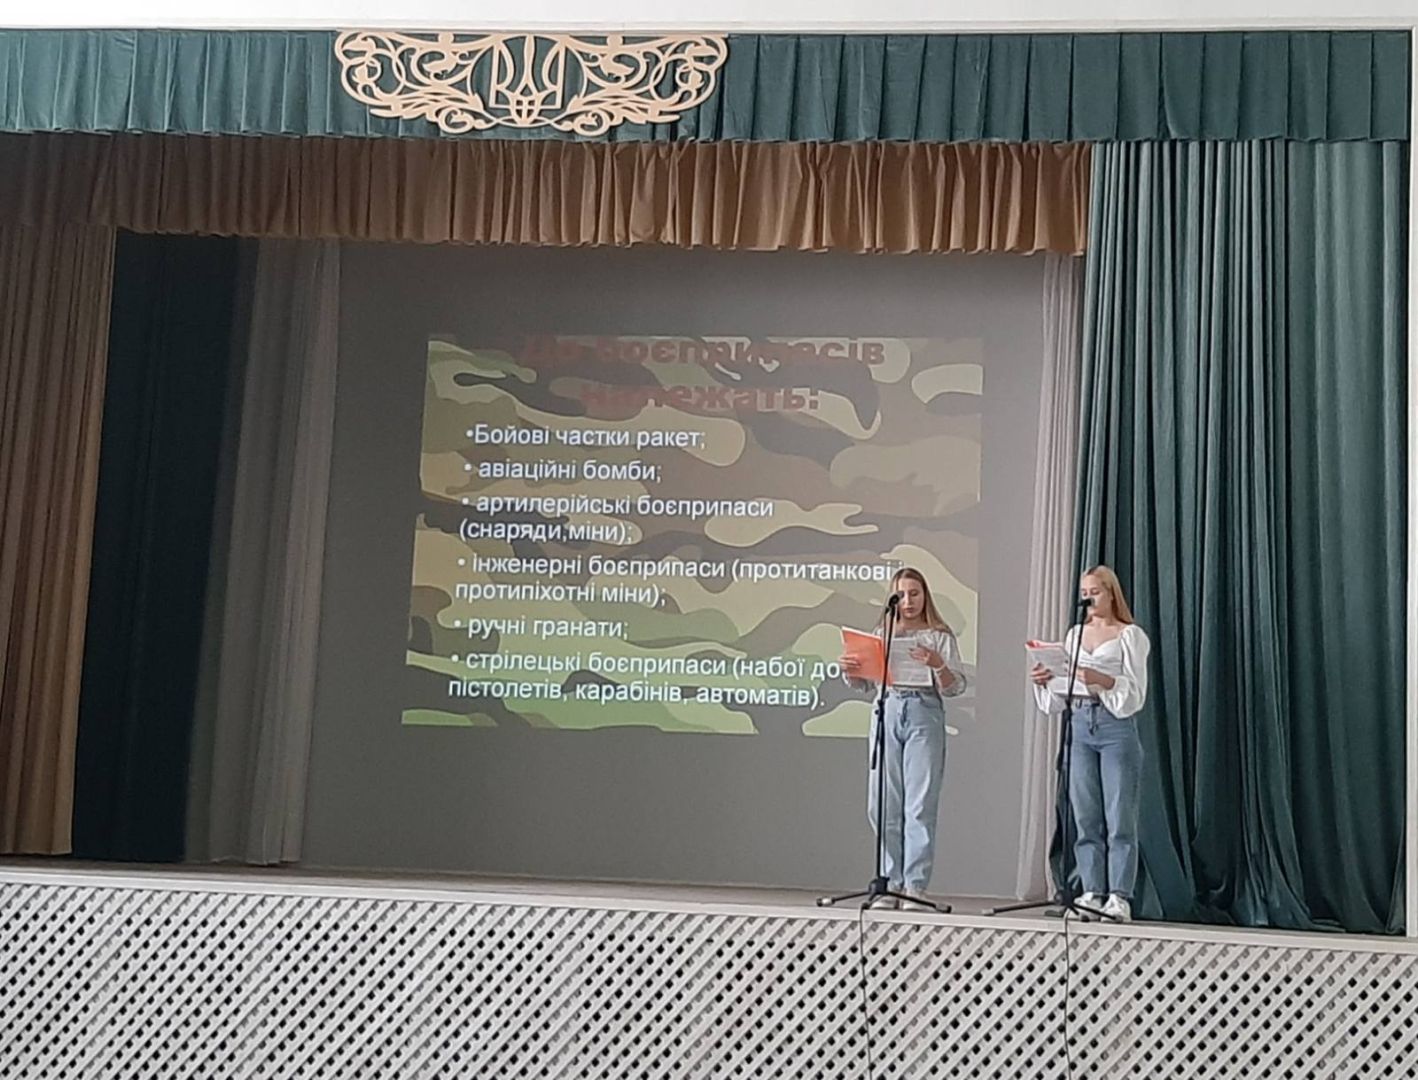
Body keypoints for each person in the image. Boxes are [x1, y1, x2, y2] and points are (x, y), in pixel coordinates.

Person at [840, 567, 967, 911]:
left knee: (919, 803)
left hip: (924, 711)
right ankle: (890, 882)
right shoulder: (882, 633)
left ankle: (914, 886)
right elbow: (865, 684)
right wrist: (851, 670)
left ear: (925, 596)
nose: (908, 601)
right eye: (901, 595)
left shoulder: (939, 635)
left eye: (915, 593)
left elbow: (955, 687)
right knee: (882, 802)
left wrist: (938, 665)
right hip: (888, 709)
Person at [1030, 565, 1150, 922]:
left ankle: (1119, 895)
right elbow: (1063, 690)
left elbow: (1136, 694)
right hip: (1079, 724)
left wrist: (1104, 679)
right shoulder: (1074, 635)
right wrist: (1045, 680)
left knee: (1119, 815)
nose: (1089, 599)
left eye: (1095, 591)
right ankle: (1092, 891)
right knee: (1085, 815)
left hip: (1115, 726)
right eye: (1084, 593)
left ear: (1111, 593)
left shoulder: (1129, 636)